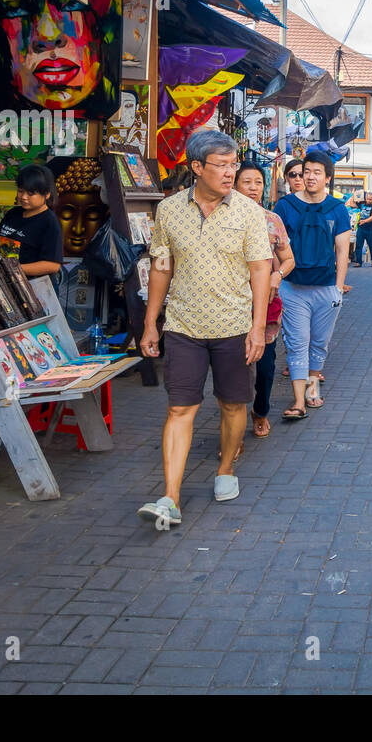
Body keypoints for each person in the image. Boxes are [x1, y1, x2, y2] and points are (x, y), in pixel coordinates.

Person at [137, 130, 272, 529]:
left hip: (234, 325)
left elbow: (261, 269)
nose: (232, 172)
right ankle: (170, 497)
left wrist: (258, 326)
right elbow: (162, 267)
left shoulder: (249, 213)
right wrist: (150, 323)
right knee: (180, 408)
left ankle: (226, 468)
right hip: (183, 325)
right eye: (222, 165)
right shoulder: (168, 211)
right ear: (197, 168)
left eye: (234, 164)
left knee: (232, 405)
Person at [274, 151, 351, 421]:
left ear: (327, 178)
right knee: (297, 343)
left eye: (317, 172)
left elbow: (342, 250)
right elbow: (274, 246)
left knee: (319, 343)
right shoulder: (284, 207)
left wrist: (338, 288)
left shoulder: (338, 209)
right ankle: (298, 402)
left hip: (326, 288)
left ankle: (312, 387)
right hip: (293, 288)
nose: (309, 176)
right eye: (306, 171)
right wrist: (278, 278)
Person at [235, 162, 295, 438]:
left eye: (257, 182)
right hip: (230, 304)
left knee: (266, 367)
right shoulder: (223, 218)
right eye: (246, 182)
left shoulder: (272, 220)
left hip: (265, 306)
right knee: (234, 368)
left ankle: (260, 411)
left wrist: (277, 275)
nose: (252, 188)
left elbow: (289, 259)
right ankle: (232, 427)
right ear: (234, 184)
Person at [0, 163, 64, 282]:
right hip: (8, 281)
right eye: (20, 191)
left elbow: (53, 265)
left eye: (31, 193)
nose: (23, 197)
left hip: (34, 286)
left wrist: (14, 269)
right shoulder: (13, 213)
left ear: (47, 194)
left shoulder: (49, 222)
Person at [353, 192, 372, 267]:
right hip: (361, 228)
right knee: (358, 245)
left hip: (370, 229)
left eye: (370, 199)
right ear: (365, 198)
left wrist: (364, 221)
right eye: (367, 199)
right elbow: (351, 204)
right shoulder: (362, 204)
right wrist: (354, 196)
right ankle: (358, 262)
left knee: (371, 246)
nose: (369, 200)